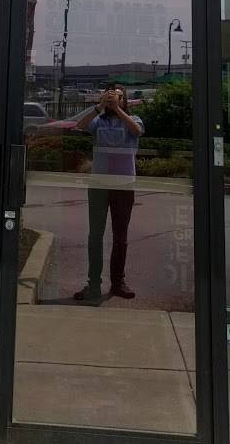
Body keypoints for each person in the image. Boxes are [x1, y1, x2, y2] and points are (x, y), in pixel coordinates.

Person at [73, 82, 144, 303]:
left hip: (124, 186)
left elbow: (137, 131)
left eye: (118, 96)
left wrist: (118, 110)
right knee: (95, 235)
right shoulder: (98, 121)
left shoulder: (133, 119)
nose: (114, 99)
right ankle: (93, 284)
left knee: (120, 236)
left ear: (125, 100)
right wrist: (100, 106)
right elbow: (80, 125)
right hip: (99, 185)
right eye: (110, 95)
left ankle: (117, 282)